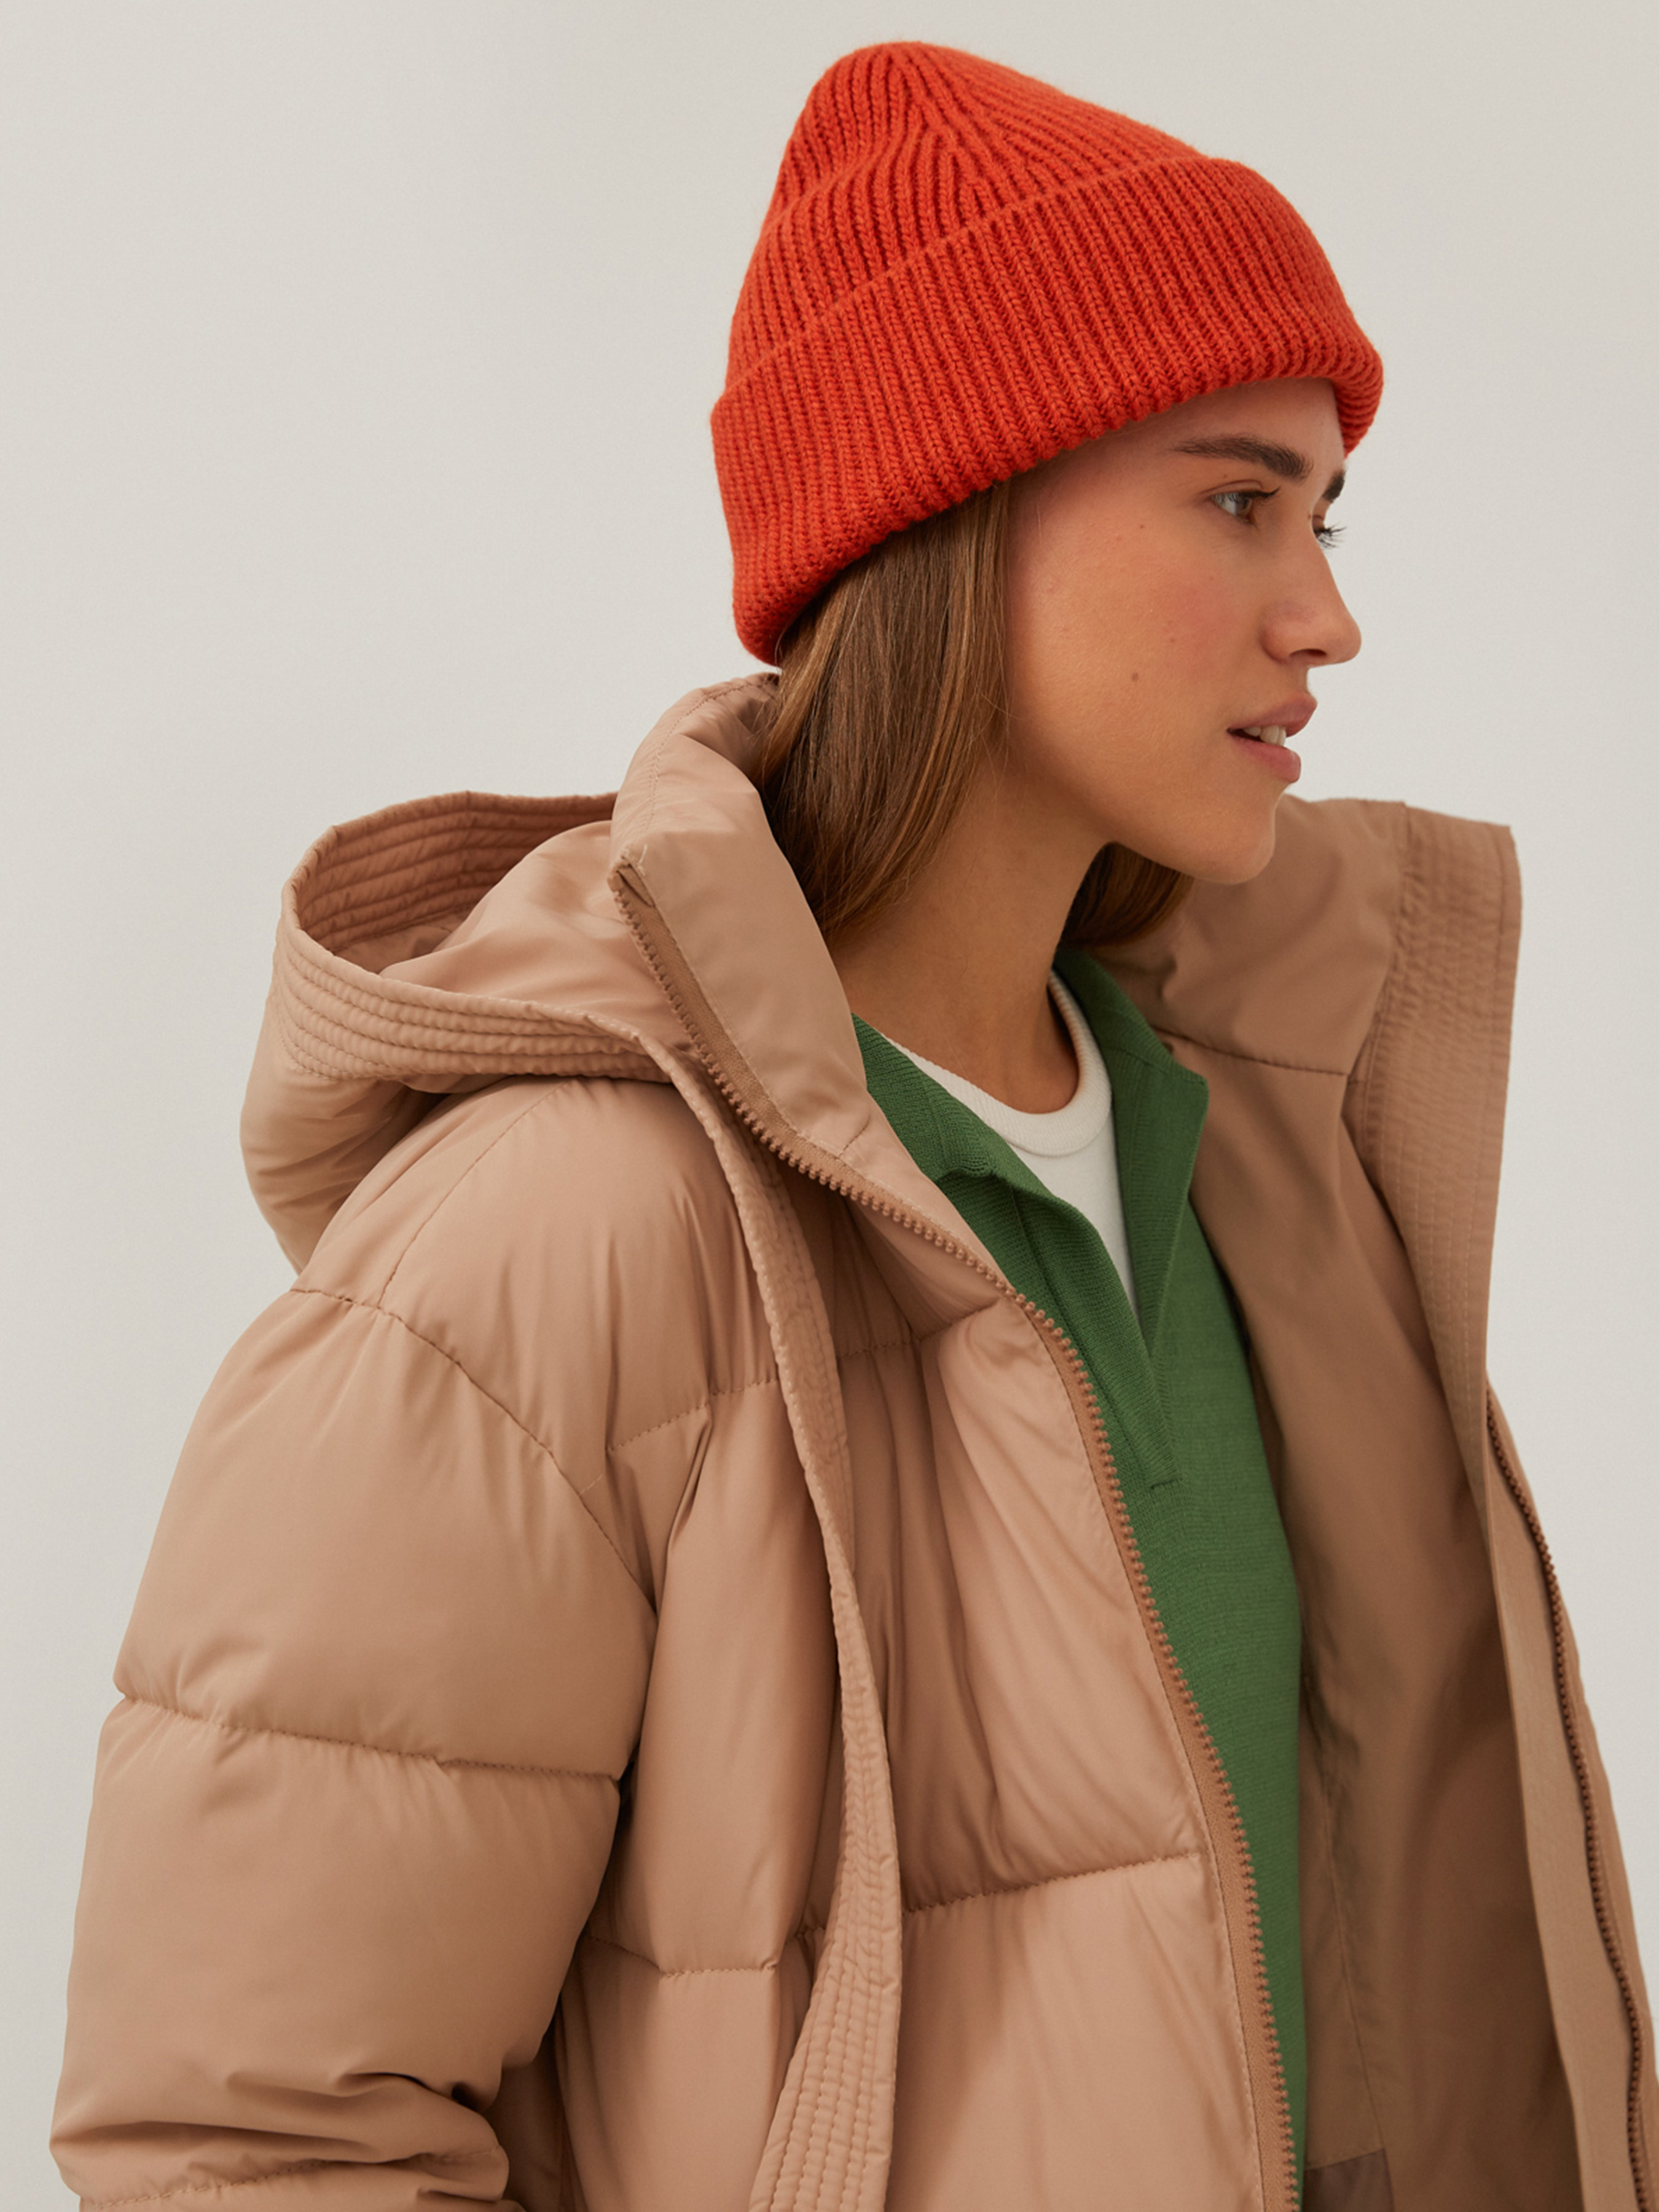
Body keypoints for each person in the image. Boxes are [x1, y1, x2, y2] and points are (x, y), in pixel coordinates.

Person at [51, 41, 1655, 2212]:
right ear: (954, 516)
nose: (1327, 615)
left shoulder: (1275, 1171)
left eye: (1324, 514)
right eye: (1236, 502)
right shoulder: (543, 1243)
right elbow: (245, 2137)